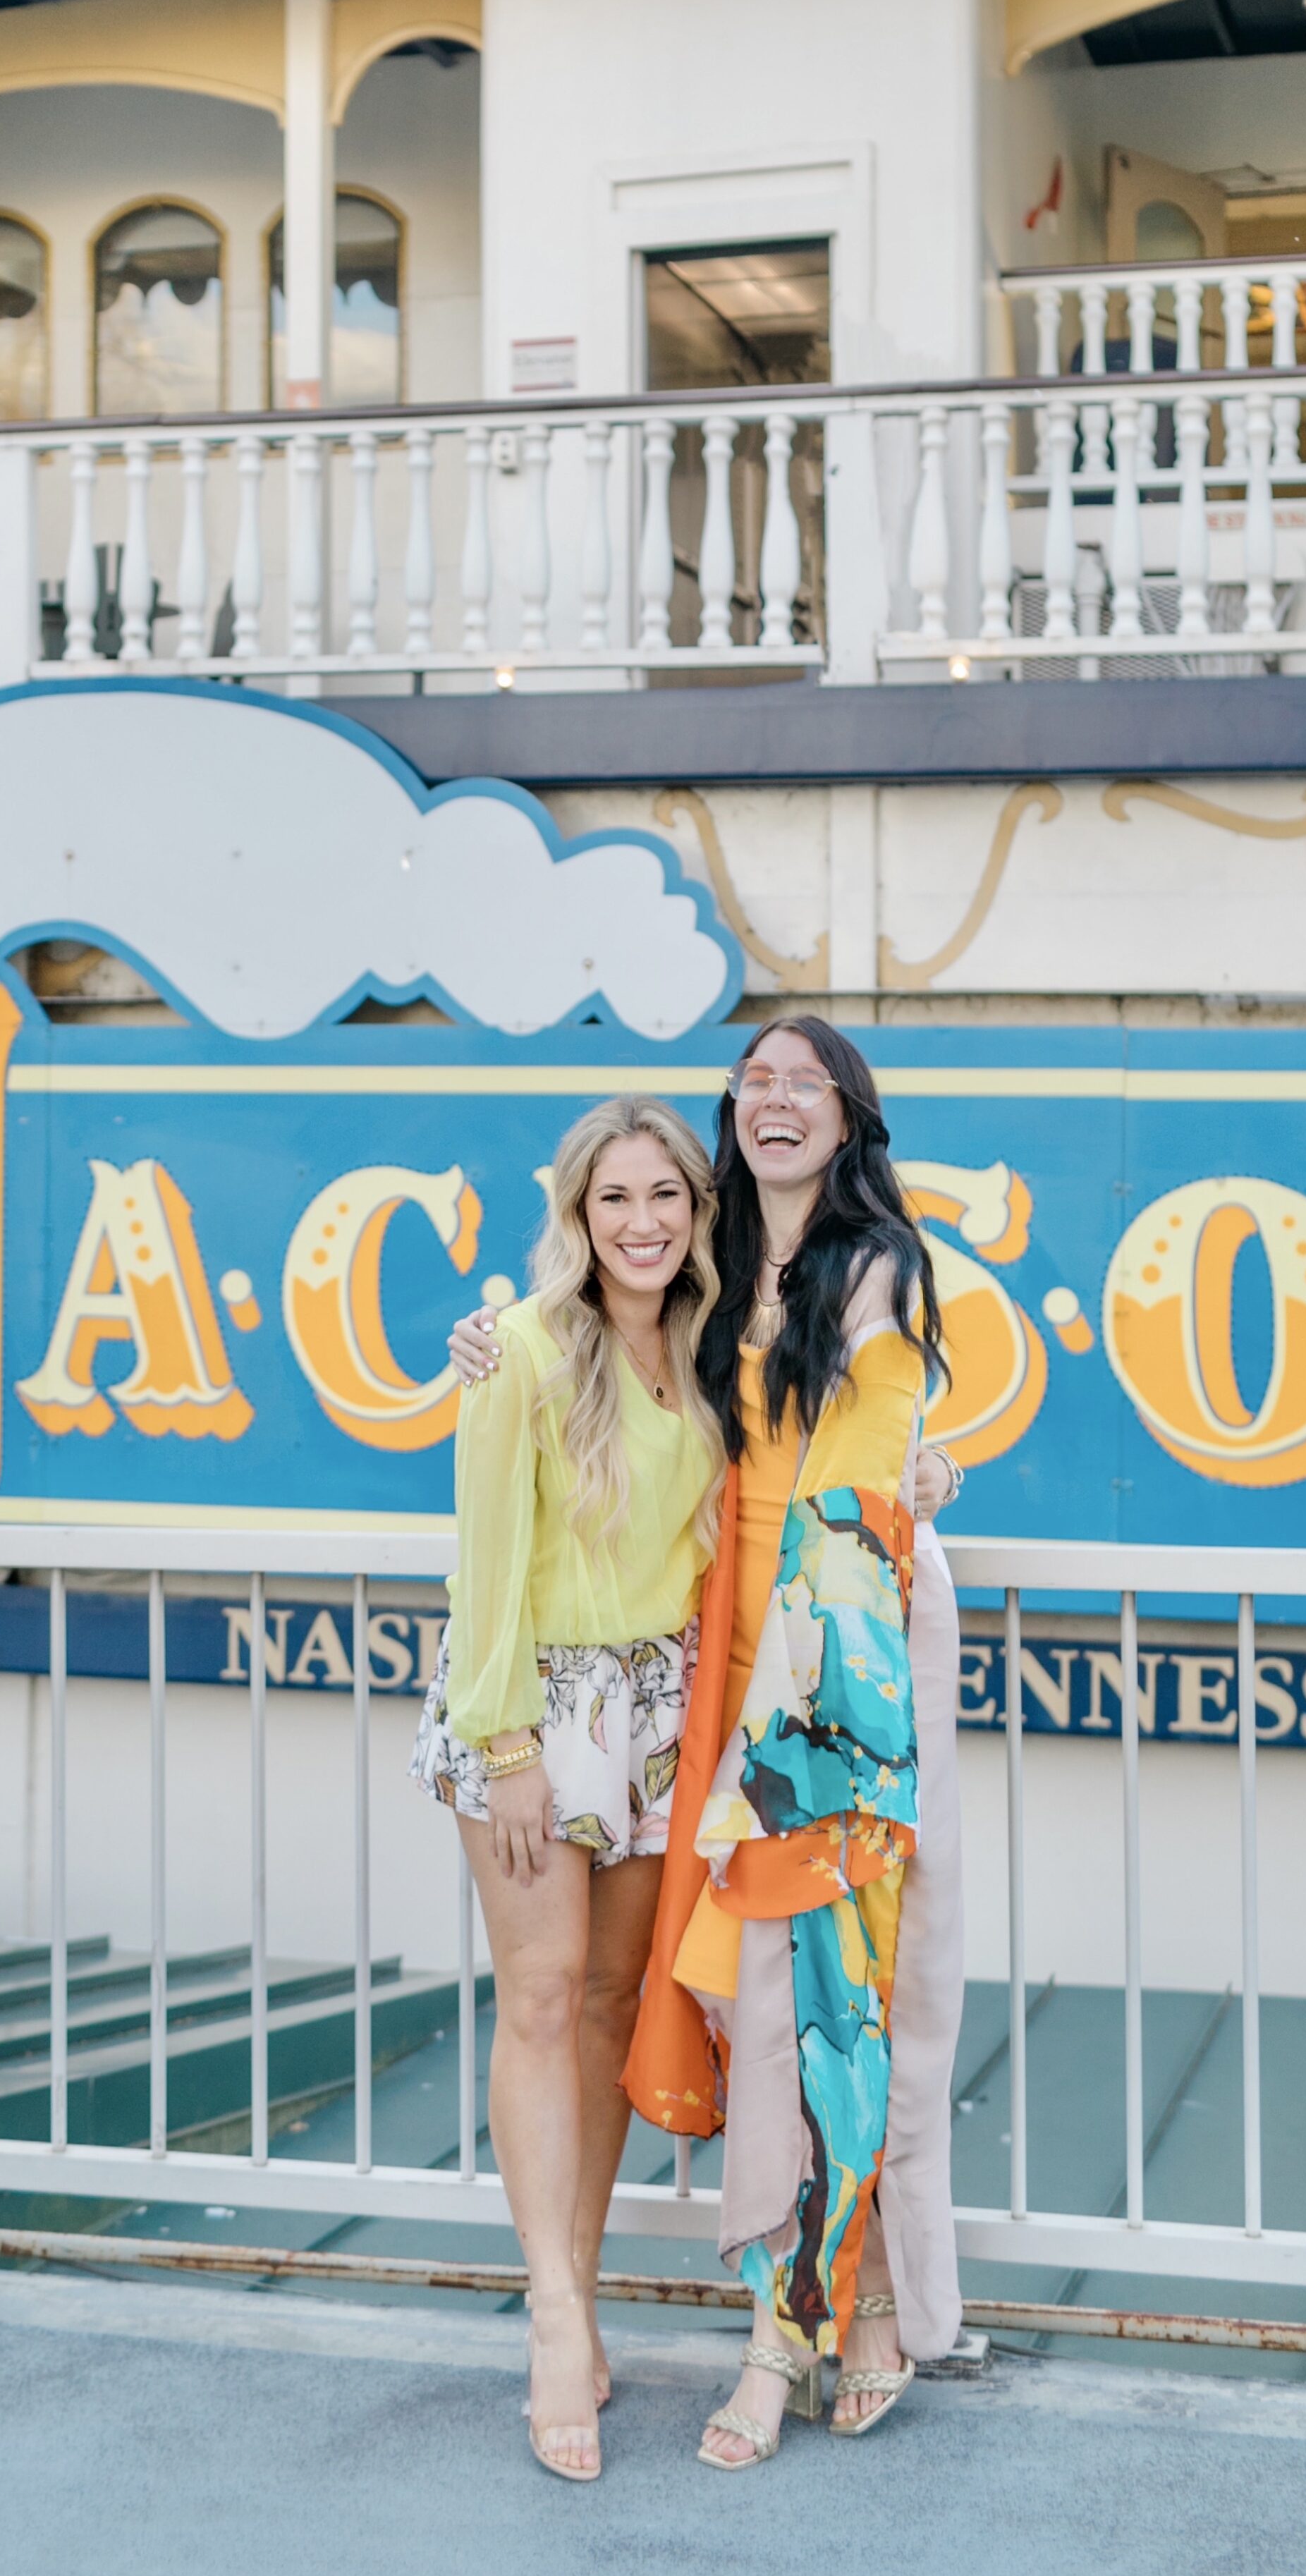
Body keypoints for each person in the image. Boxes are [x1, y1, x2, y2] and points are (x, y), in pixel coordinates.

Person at [448, 1018, 966, 2467]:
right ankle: (654, 2312)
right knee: (663, 2007)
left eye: (808, 1080)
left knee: (790, 2001)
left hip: (800, 1680)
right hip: (643, 1693)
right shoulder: (616, 1314)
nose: (776, 1099)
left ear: (847, 1117)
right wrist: (488, 1334)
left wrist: (927, 1461)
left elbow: (873, 1417)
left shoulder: (817, 1281)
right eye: (754, 1080)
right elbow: (504, 1516)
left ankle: (835, 2311)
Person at [410, 1096, 726, 2483]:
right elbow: (482, 1557)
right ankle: (551, 2320)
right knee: (537, 1998)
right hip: (539, 1704)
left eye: (664, 1194)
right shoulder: (523, 1350)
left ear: (694, 1210)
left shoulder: (717, 1351)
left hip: (663, 1710)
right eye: (614, 1199)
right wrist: (508, 1746)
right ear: (575, 1214)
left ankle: (578, 2284)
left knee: (607, 2002)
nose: (642, 1222)